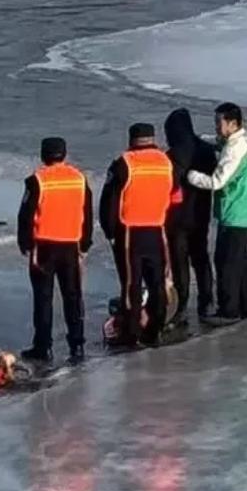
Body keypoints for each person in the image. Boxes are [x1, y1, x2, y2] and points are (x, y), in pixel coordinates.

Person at [16, 136, 93, 363]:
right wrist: (85, 244)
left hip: (44, 247)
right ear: (65, 154)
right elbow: (87, 214)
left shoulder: (37, 180)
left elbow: (26, 216)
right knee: (73, 296)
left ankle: (43, 347)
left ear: (43, 155)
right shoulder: (79, 179)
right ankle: (77, 345)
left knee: (43, 299)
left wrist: (25, 244)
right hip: (71, 246)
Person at [187, 102, 247, 320]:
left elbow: (217, 181)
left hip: (236, 213)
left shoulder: (234, 149)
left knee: (227, 262)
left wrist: (191, 176)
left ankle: (229, 310)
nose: (215, 126)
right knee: (245, 260)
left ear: (232, 124)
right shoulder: (245, 141)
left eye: (218, 122)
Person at [99, 122, 174, 347]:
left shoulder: (124, 163)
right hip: (158, 230)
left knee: (132, 284)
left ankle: (132, 333)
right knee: (157, 283)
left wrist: (110, 233)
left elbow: (109, 202)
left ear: (131, 141)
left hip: (130, 232)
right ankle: (155, 328)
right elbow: (173, 192)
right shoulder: (165, 162)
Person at [164, 105, 218, 325]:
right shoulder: (206, 150)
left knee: (180, 262)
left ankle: (182, 306)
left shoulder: (172, 154)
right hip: (201, 213)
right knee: (201, 257)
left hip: (177, 217)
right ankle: (206, 301)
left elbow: (168, 183)